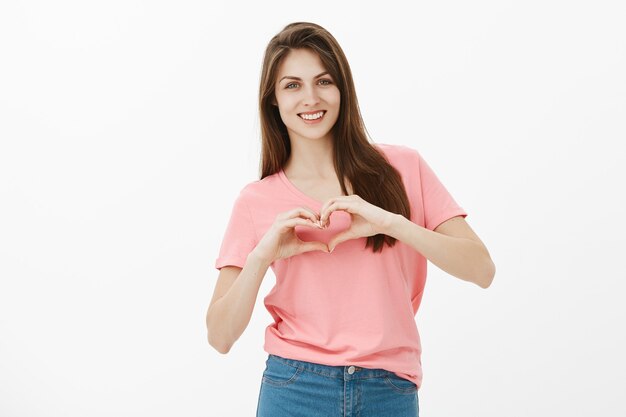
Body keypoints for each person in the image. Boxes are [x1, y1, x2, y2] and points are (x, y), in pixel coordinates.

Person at [206, 21, 495, 417]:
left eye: (323, 81)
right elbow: (220, 336)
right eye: (292, 85)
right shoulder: (256, 201)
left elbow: (482, 269)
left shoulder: (402, 168)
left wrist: (392, 223)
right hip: (294, 389)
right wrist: (259, 256)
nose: (310, 98)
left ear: (342, 88)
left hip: (388, 390)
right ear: (273, 99)